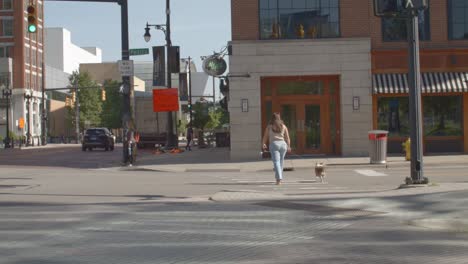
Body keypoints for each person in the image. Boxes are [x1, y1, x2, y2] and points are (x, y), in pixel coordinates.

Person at [262, 113, 291, 185]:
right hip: (283, 144)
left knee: (276, 162)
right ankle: (279, 178)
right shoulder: (283, 126)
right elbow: (287, 137)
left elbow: (265, 136)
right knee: (281, 162)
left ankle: (279, 179)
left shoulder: (269, 127)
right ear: (279, 118)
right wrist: (289, 146)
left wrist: (263, 144)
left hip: (274, 144)